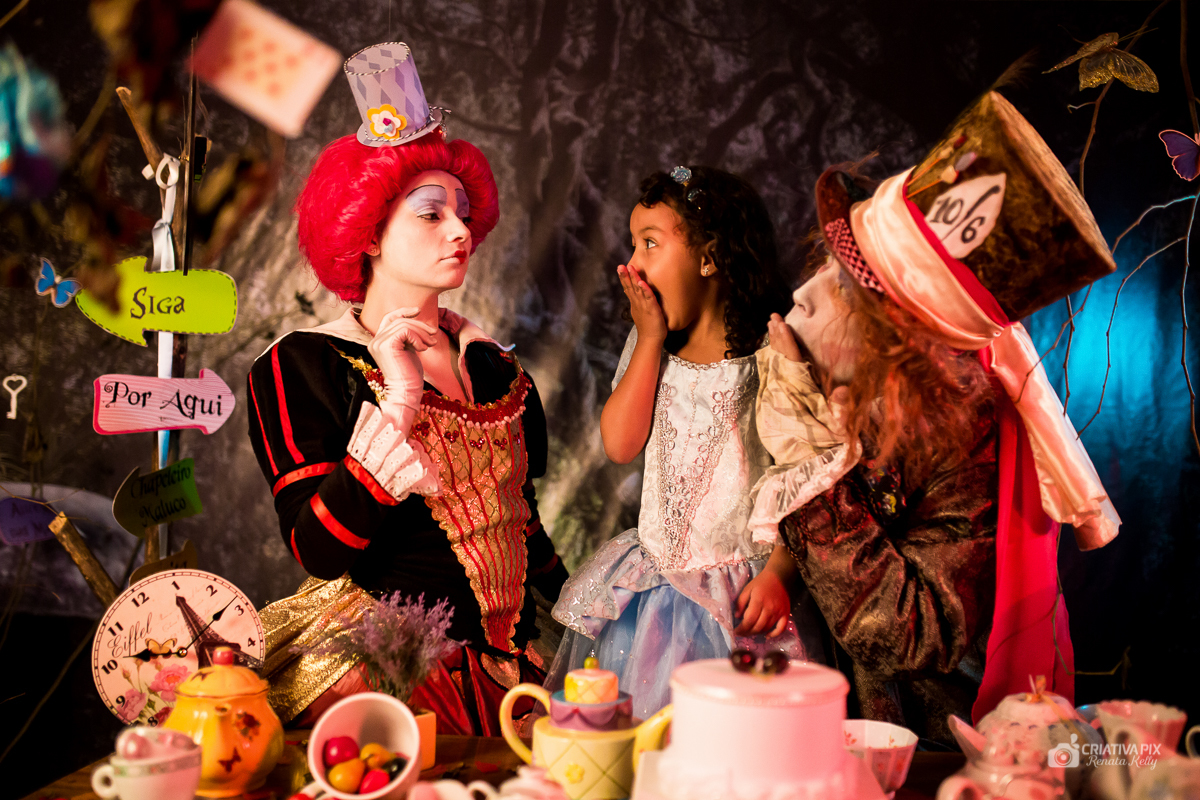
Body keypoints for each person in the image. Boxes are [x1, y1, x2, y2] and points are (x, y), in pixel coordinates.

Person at [765, 91, 1121, 745]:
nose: (802, 298)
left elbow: (914, 633)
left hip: (934, 749)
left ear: (904, 340)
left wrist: (809, 466)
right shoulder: (846, 390)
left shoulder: (962, 432)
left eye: (845, 287)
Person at [246, 43, 567, 735]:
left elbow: (517, 519)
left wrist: (575, 613)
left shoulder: (496, 369)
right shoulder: (305, 364)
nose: (460, 230)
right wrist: (398, 402)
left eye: (462, 212)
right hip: (392, 672)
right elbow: (319, 550)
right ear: (367, 234)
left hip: (514, 673)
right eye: (430, 214)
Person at [547, 165, 819, 719]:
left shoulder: (771, 354)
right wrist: (649, 338)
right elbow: (619, 445)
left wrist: (779, 573)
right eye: (632, 244)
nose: (633, 263)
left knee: (734, 736)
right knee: (640, 734)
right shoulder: (652, 346)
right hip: (652, 604)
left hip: (741, 600)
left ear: (709, 257)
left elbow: (803, 477)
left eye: (650, 243)